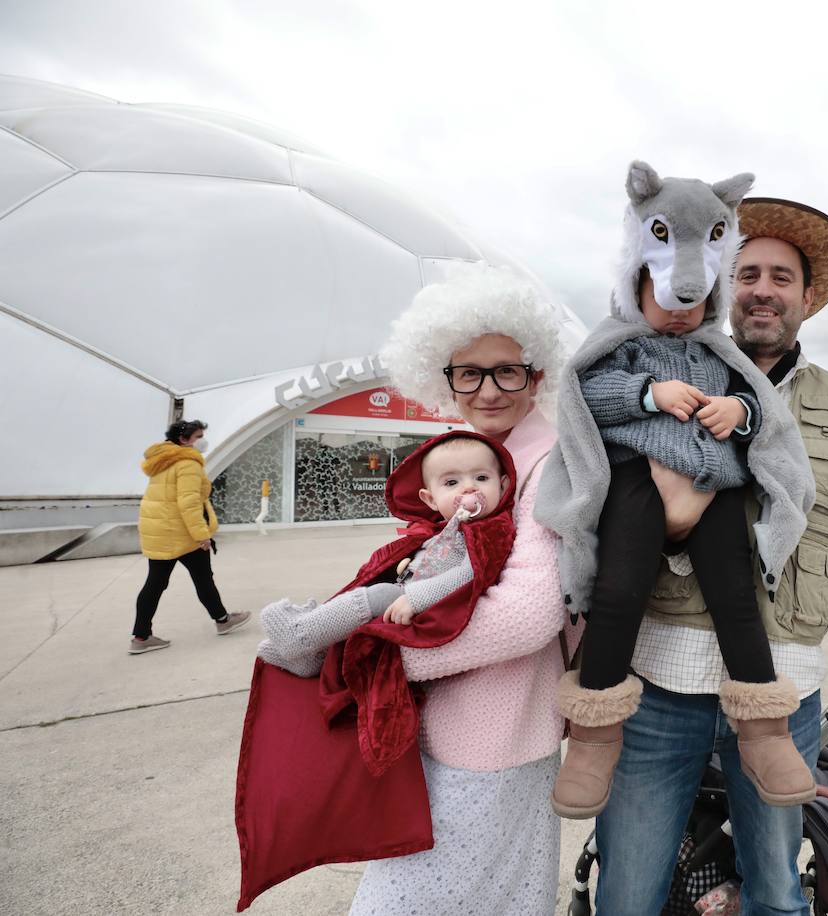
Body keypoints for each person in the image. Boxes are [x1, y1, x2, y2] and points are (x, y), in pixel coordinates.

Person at [585, 197, 828, 916]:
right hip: (660, 681)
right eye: (747, 273)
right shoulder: (664, 378)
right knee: (626, 897)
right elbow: (602, 498)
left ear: (808, 296)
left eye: (781, 277)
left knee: (777, 896)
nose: (762, 289)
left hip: (784, 696)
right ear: (724, 287)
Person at [294, 264, 573, 915]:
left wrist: (379, 656)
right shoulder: (475, 454)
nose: (488, 389)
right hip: (448, 725)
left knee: (410, 901)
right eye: (467, 372)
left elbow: (529, 613)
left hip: (493, 730)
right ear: (443, 378)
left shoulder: (551, 462)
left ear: (537, 374)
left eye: (507, 370)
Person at [540, 163, 816, 820]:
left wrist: (738, 415)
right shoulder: (620, 345)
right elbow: (585, 398)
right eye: (663, 297)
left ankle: (763, 727)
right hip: (637, 476)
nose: (676, 311)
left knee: (735, 592)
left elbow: (759, 408)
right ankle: (595, 734)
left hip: (714, 484)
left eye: (691, 302)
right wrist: (648, 393)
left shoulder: (719, 352)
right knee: (618, 590)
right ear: (637, 284)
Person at [254, 435, 510, 677]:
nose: (468, 488)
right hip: (410, 588)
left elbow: (471, 572)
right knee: (366, 588)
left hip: (428, 603)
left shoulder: (488, 532)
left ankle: (298, 635)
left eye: (481, 477)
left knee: (378, 595)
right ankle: (314, 651)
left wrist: (415, 599)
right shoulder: (448, 528)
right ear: (431, 500)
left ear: (502, 485)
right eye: (451, 483)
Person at [130, 419, 250, 654]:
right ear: (183, 439)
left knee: (155, 584)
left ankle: (141, 636)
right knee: (202, 579)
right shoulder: (187, 463)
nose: (202, 441)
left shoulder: (163, 460)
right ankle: (223, 621)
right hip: (182, 534)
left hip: (161, 532)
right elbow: (189, 503)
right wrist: (201, 535)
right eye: (198, 436)